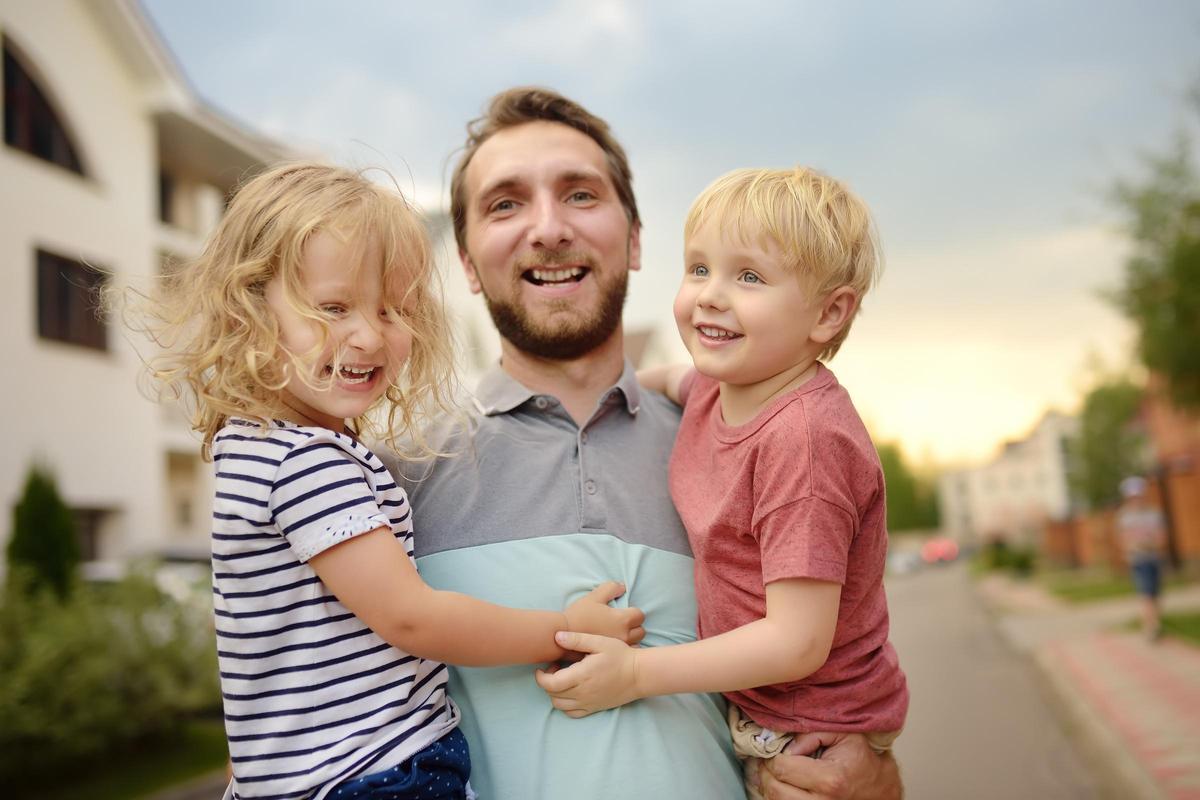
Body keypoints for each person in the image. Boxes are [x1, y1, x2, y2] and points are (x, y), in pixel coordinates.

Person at [390, 88, 904, 799]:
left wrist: (872, 780)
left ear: (634, 239)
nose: (547, 229)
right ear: (468, 262)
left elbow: (837, 671)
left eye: (579, 194)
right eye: (505, 204)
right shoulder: (393, 475)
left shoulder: (749, 438)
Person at [130, 162, 644, 800]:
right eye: (333, 307)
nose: (369, 335)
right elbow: (413, 619)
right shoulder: (307, 463)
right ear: (248, 311)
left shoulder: (253, 444)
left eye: (393, 309)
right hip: (377, 774)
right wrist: (567, 630)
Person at [535, 167, 909, 799]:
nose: (710, 295)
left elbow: (797, 642)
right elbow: (668, 380)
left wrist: (633, 675)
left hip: (809, 729)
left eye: (750, 277)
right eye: (699, 269)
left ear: (829, 312)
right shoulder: (719, 388)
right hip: (759, 707)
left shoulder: (805, 440)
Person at [1116, 476, 1168, 640]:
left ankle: (1154, 622)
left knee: (1155, 594)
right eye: (1133, 497)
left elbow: (1161, 537)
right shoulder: (1124, 517)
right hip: (1139, 560)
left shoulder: (1153, 514)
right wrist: (1135, 547)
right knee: (1146, 594)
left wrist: (1152, 544)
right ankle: (1150, 627)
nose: (1136, 499)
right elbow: (1124, 540)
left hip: (1154, 558)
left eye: (1138, 495)